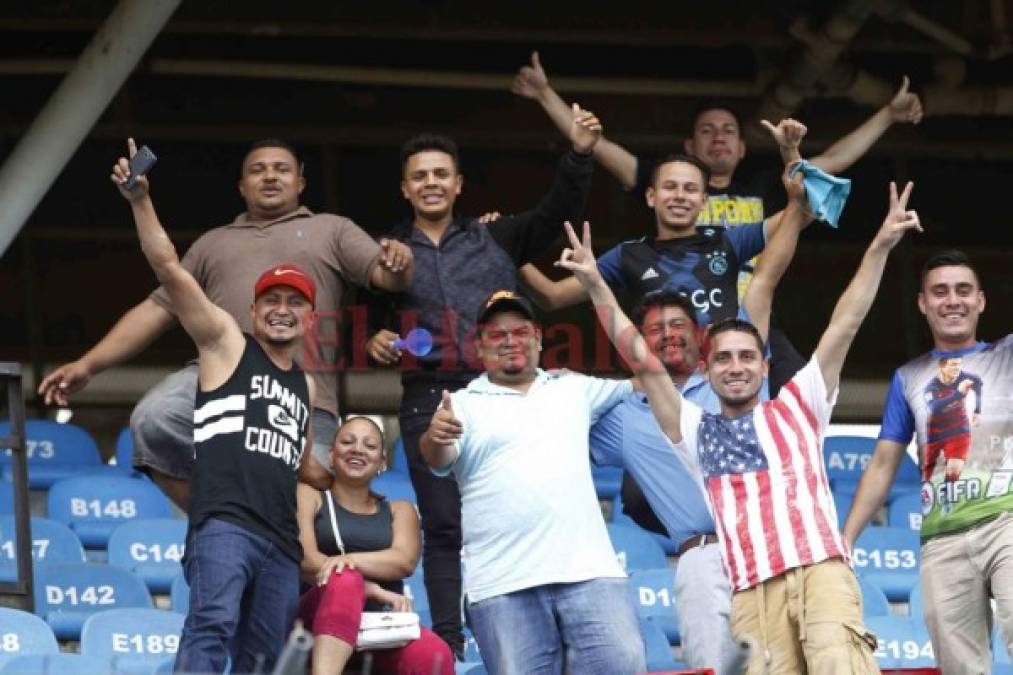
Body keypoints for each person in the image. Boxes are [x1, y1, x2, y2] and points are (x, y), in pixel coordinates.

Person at [561, 178, 924, 673]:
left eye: (748, 357)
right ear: (707, 370)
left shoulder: (800, 403)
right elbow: (643, 361)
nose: (736, 366)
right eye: (724, 358)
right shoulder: (694, 430)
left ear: (765, 364)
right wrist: (595, 284)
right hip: (751, 585)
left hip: (820, 570)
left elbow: (846, 322)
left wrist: (881, 245)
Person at [38, 138, 413, 508]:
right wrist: (88, 364)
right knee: (155, 419)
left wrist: (401, 259)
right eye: (257, 170)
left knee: (299, 517)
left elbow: (390, 278)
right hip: (218, 384)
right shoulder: (212, 243)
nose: (269, 176)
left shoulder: (333, 230)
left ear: (300, 182)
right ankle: (216, 518)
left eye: (281, 169)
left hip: (304, 398)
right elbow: (157, 309)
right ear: (241, 186)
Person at [363, 104, 602, 656]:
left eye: (440, 174)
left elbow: (555, 212)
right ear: (405, 188)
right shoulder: (387, 253)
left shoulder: (498, 235)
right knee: (444, 527)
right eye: (419, 176)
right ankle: (448, 642)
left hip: (503, 395)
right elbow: (372, 324)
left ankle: (525, 632)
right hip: (429, 396)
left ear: (458, 183)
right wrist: (375, 340)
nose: (431, 183)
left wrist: (579, 156)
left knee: (514, 514)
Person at [588, 157, 810, 673]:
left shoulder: (732, 379)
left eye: (679, 324)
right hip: (701, 556)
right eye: (655, 327)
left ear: (703, 338)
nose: (668, 332)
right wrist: (596, 286)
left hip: (765, 543)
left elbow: (768, 278)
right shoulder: (625, 410)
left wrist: (797, 202)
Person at [109, 140, 316, 672]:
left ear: (310, 320)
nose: (283, 310)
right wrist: (139, 200)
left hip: (282, 543)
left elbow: (303, 468)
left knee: (266, 659)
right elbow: (169, 269)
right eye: (272, 300)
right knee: (211, 626)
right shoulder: (227, 342)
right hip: (225, 525)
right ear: (253, 309)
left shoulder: (308, 389)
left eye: (295, 303)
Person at [418, 290, 645, 675]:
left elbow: (647, 379)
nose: (510, 341)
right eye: (497, 334)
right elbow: (437, 458)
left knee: (623, 666)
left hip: (589, 574)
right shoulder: (461, 403)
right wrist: (434, 436)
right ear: (479, 347)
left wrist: (594, 283)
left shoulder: (573, 388)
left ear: (539, 339)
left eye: (520, 332)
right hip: (502, 584)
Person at [842, 250, 1013, 673]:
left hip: (1007, 523)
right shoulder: (907, 378)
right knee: (959, 667)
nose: (952, 300)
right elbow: (883, 464)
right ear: (922, 303)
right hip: (942, 539)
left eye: (963, 290)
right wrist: (845, 538)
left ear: (981, 301)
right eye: (940, 292)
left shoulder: (1007, 356)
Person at [295, 416, 453, 675]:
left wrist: (351, 561)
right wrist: (365, 587)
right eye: (347, 442)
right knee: (344, 579)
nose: (357, 449)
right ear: (332, 455)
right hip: (314, 624)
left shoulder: (399, 510)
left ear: (382, 463)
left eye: (369, 446)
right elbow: (308, 560)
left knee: (434, 652)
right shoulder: (309, 496)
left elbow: (403, 560)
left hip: (377, 627)